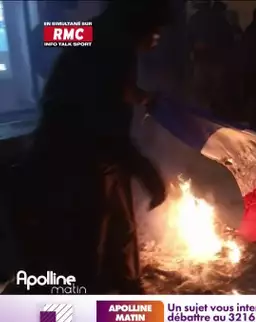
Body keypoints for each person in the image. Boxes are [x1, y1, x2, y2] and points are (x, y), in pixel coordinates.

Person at [7, 0, 169, 294]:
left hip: (93, 153)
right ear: (140, 22)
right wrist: (146, 171)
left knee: (120, 227)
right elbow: (105, 122)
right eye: (155, 30)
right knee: (82, 253)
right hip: (73, 157)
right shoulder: (109, 44)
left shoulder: (101, 34)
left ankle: (126, 288)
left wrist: (140, 96)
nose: (157, 38)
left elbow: (105, 84)